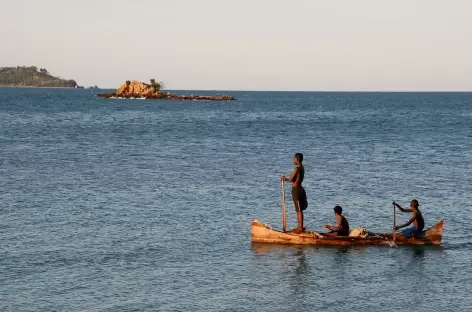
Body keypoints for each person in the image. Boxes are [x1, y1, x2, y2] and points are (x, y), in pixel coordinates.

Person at [281, 153, 308, 233]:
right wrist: (286, 179)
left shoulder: (297, 168)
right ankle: (300, 226)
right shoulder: (302, 168)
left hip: (296, 190)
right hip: (300, 189)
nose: (293, 160)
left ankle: (300, 228)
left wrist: (284, 179)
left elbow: (291, 179)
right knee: (299, 209)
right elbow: (295, 179)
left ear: (297, 159)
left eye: (294, 159)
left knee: (299, 209)